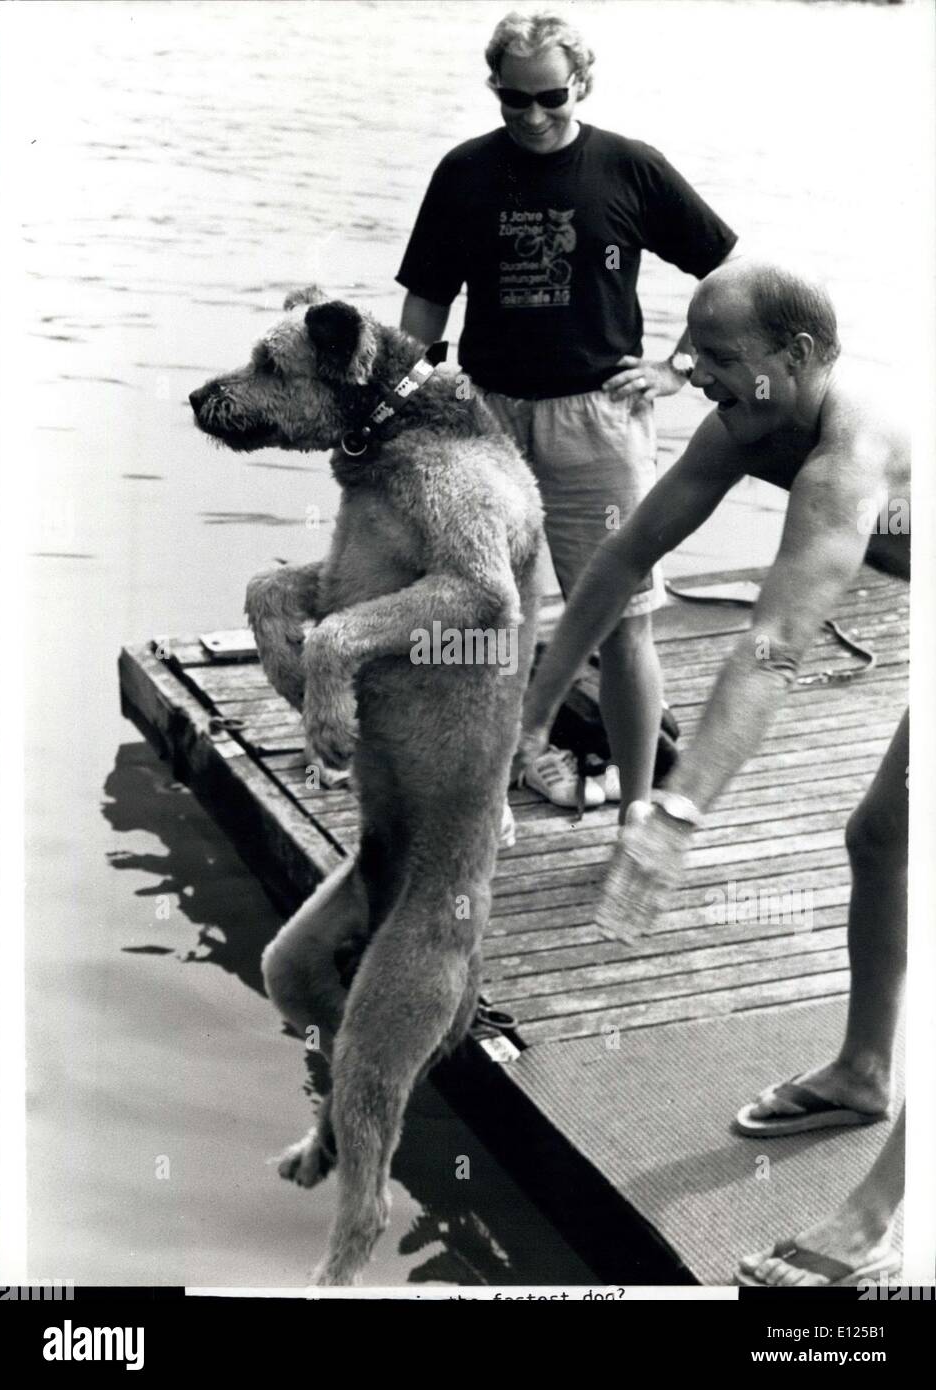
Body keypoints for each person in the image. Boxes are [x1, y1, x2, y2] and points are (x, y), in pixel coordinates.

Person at [519, 257, 910, 1286]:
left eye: (721, 359)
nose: (694, 375)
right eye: (689, 350)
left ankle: (882, 1219)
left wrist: (677, 810)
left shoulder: (845, 455)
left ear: (802, 357)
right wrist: (531, 709)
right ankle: (865, 1072)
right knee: (879, 836)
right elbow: (620, 559)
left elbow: (776, 643)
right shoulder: (744, 423)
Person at [396, 9, 737, 817]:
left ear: (580, 83)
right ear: (495, 92)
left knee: (621, 624)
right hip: (487, 422)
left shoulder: (628, 167)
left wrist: (680, 367)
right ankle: (488, 796)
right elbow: (424, 305)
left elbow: (730, 273)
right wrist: (409, 408)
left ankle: (638, 812)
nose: (535, 116)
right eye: (515, 101)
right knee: (490, 618)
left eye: (551, 96)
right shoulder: (464, 172)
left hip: (597, 420)